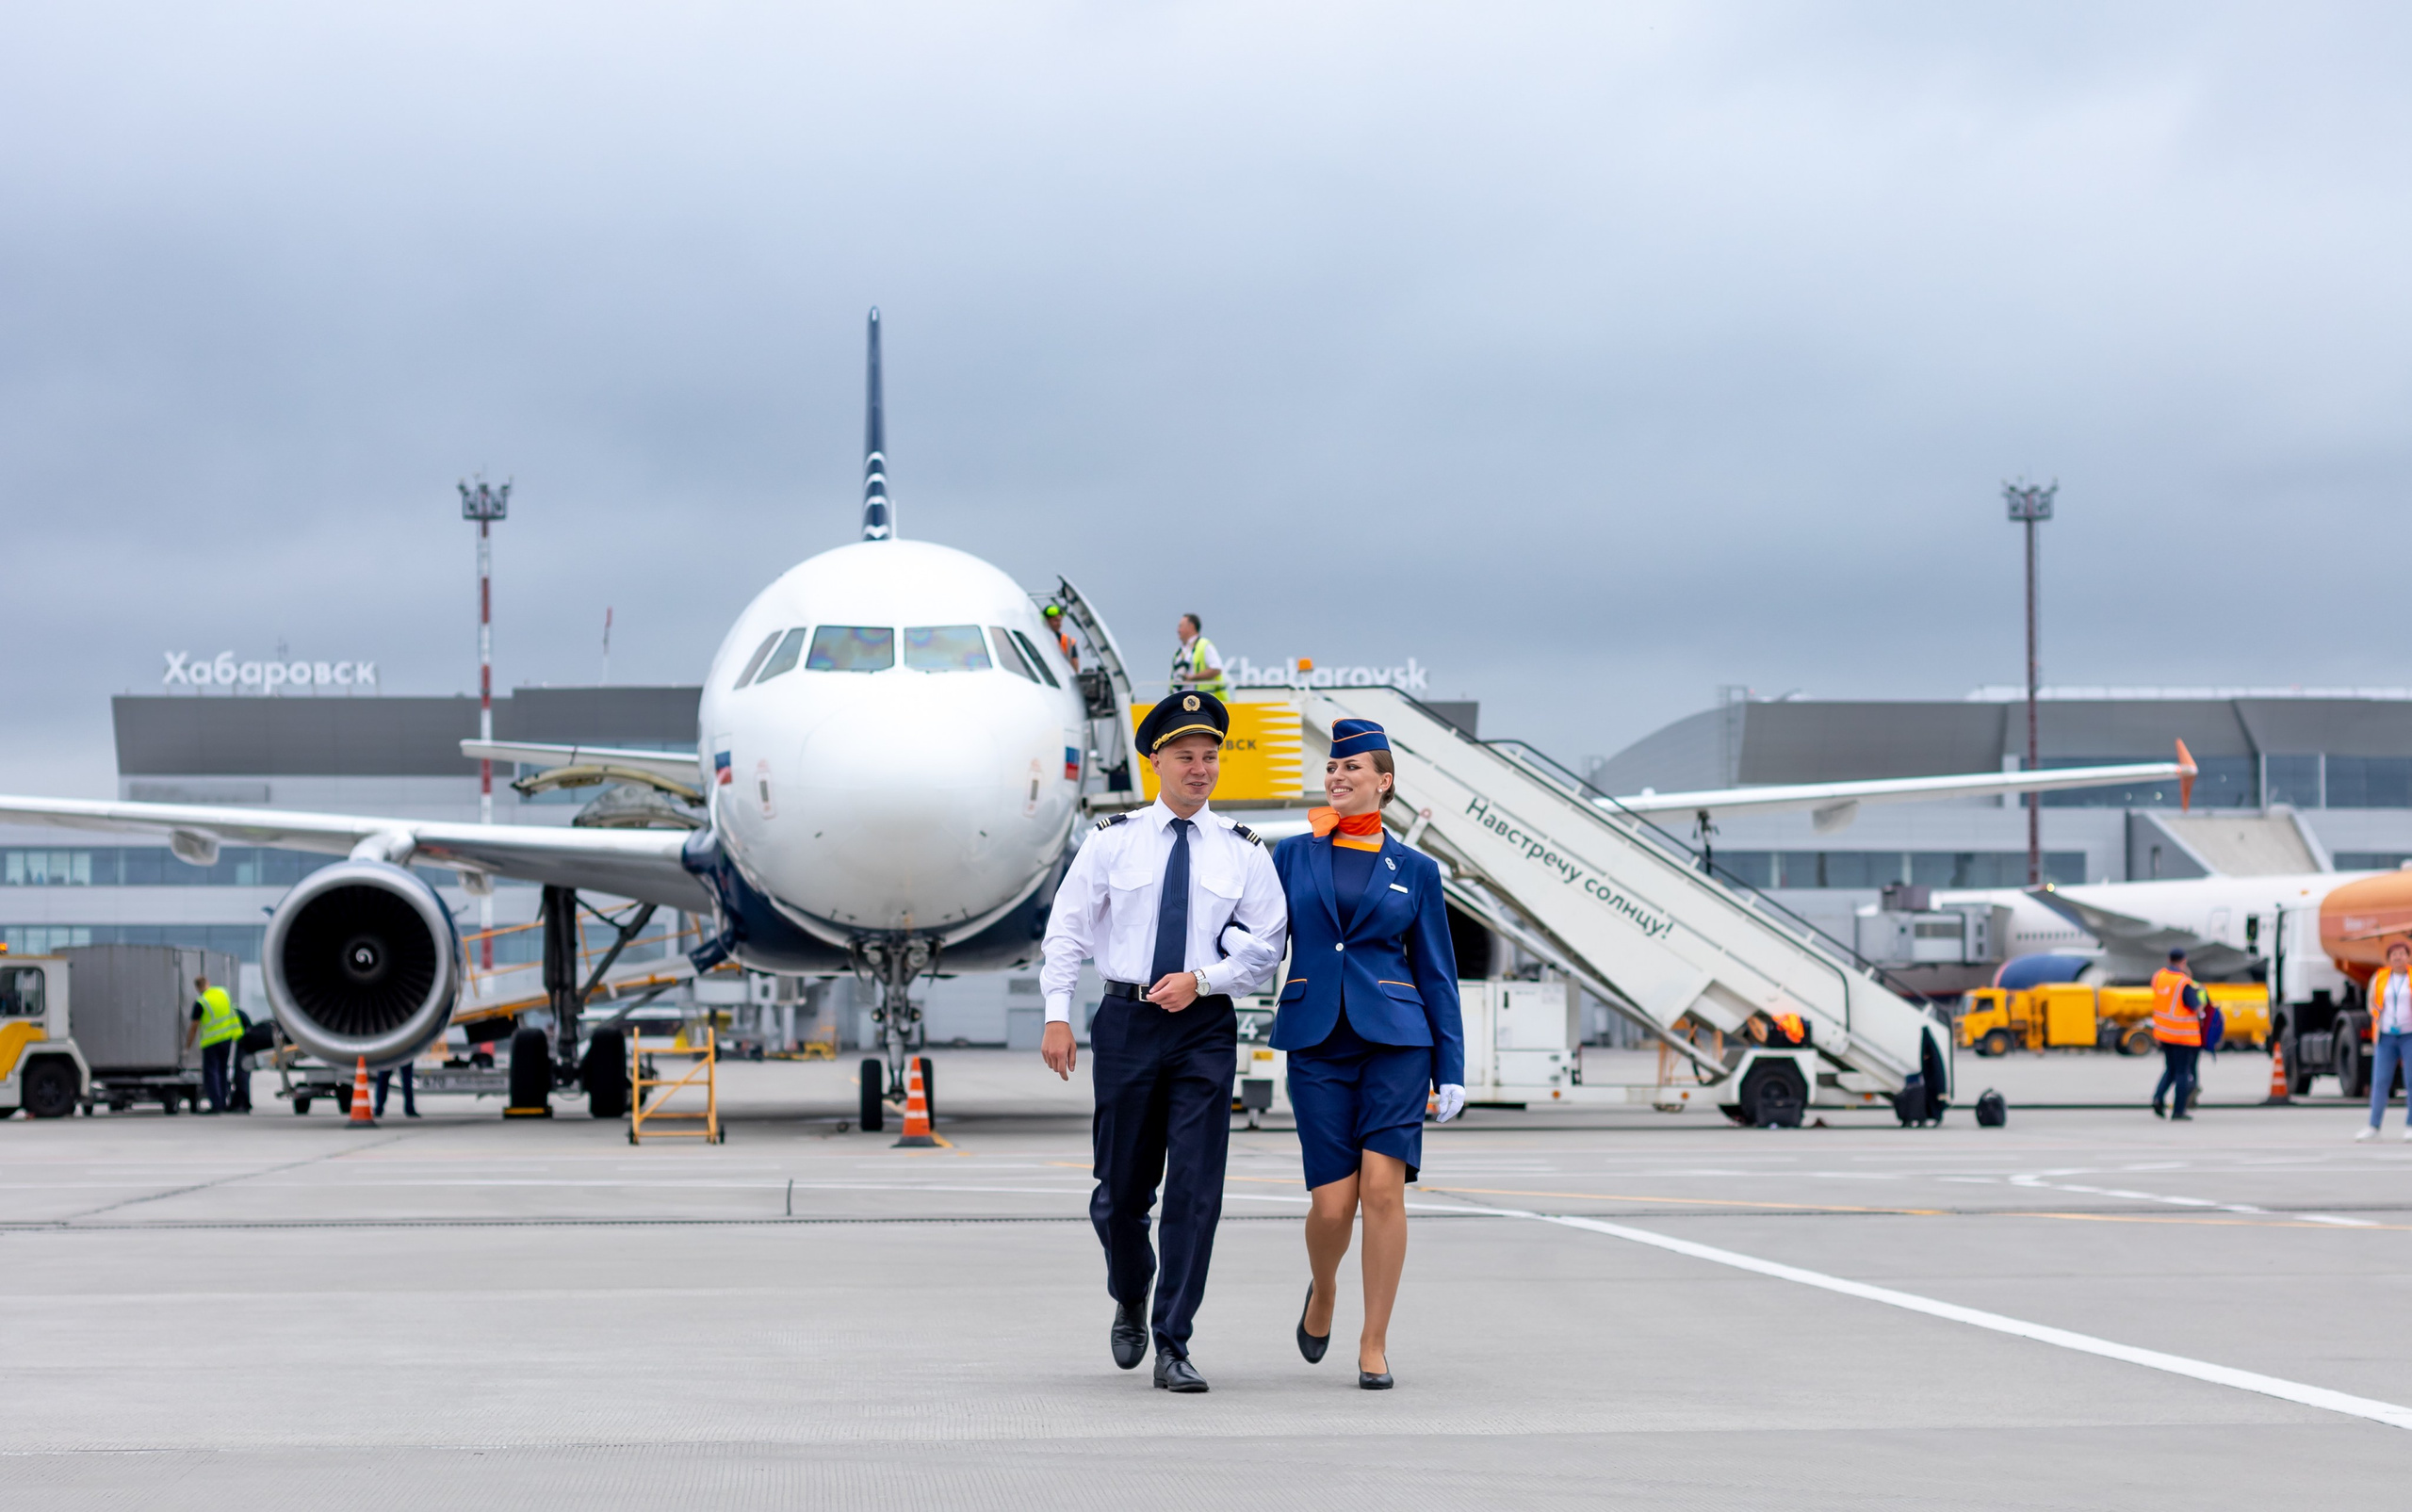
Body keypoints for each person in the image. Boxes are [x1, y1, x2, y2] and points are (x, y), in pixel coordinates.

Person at [1038, 691, 1286, 1393]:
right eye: (1186, 756)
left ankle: (1174, 1341)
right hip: (1127, 1024)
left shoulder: (1243, 851)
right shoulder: (1111, 840)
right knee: (1119, 1194)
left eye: (1210, 757)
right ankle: (1131, 1290)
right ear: (1157, 760)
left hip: (1203, 1027)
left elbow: (1268, 946)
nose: (1200, 769)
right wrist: (1058, 1012)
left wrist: (1204, 979)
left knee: (1195, 1192)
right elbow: (1068, 932)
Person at [1270, 718, 1465, 1390]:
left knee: (1383, 1192)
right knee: (1332, 1205)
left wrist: (1453, 1066)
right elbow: (1256, 938)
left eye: (1352, 769)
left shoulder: (1417, 869)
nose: (1337, 777)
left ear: (1383, 782)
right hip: (1317, 1040)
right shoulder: (1291, 855)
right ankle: (1323, 1290)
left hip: (1397, 1041)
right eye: (1332, 769)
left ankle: (1374, 1341)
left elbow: (1437, 970)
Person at [2356, 937, 2412, 1142]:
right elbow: (2371, 1001)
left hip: (2409, 1035)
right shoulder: (2380, 977)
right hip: (2386, 1036)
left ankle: (2410, 1125)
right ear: (2388, 958)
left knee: (2411, 1080)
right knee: (2380, 1081)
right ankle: (2374, 1125)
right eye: (2394, 955)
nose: (2398, 958)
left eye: (2402, 954)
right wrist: (2376, 1013)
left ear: (2407, 956)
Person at [2150, 947, 2206, 1120]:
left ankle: (2158, 1098)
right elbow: (2196, 1006)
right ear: (2184, 961)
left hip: (2163, 1032)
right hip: (2182, 1034)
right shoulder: (2184, 983)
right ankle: (2179, 1111)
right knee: (2182, 1073)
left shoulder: (2158, 977)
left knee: (2170, 1069)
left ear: (2168, 959)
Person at [185, 975, 243, 1114]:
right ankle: (223, 1102)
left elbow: (194, 1027)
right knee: (223, 1071)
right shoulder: (223, 992)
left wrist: (187, 1046)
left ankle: (216, 1105)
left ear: (197, 987)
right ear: (208, 983)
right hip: (227, 1039)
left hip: (211, 1042)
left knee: (211, 1074)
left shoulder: (201, 1002)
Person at [1170, 613, 1228, 699]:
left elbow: (1216, 669)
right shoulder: (1179, 651)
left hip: (1203, 702)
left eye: (1181, 626)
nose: (1178, 630)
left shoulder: (1204, 645)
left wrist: (1193, 677)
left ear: (1191, 626)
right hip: (1181, 701)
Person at [1043, 603, 1081, 672]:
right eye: (1056, 620)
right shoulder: (1040, 636)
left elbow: (1074, 663)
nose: (1059, 624)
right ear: (1047, 620)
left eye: (1060, 620)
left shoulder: (1066, 640)